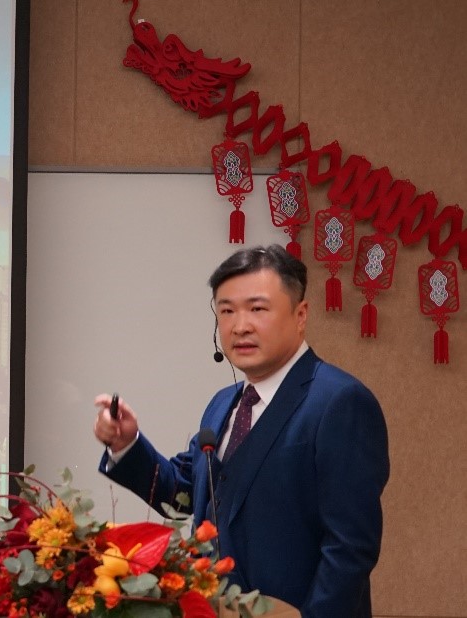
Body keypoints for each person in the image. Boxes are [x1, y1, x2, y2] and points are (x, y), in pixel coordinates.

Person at [91, 245, 389, 618]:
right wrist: (126, 444)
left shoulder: (339, 401)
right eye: (227, 311)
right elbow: (187, 494)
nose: (240, 326)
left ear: (300, 315)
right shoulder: (222, 403)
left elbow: (350, 547)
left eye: (257, 309)